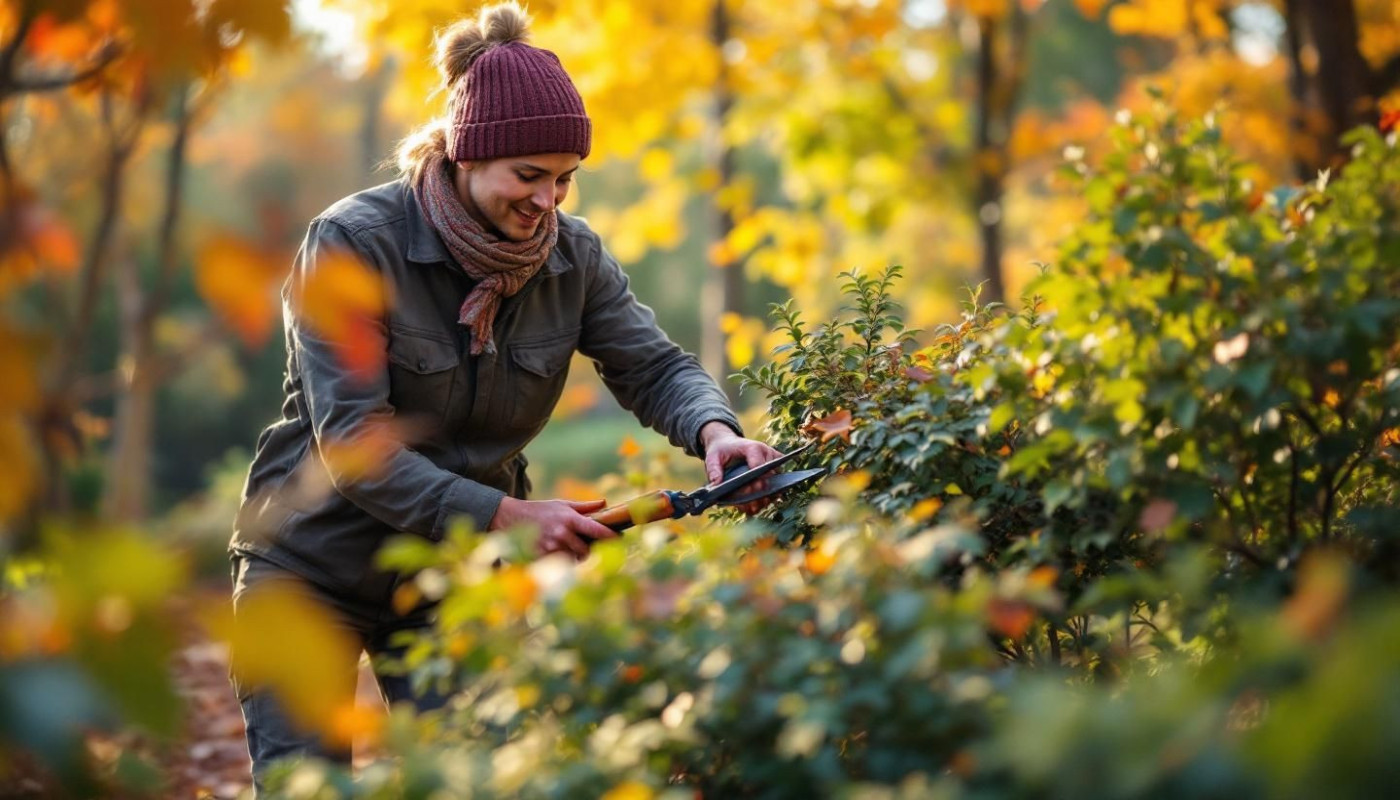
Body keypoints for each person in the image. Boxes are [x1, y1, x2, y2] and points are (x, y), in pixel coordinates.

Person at [227, 0, 779, 787]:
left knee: (474, 781)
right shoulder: (352, 245)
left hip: (457, 575)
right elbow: (352, 445)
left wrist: (716, 433)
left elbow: (654, 367)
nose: (548, 200)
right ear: (463, 152)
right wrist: (514, 518)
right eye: (528, 176)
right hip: (312, 567)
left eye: (564, 179)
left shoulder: (573, 258)